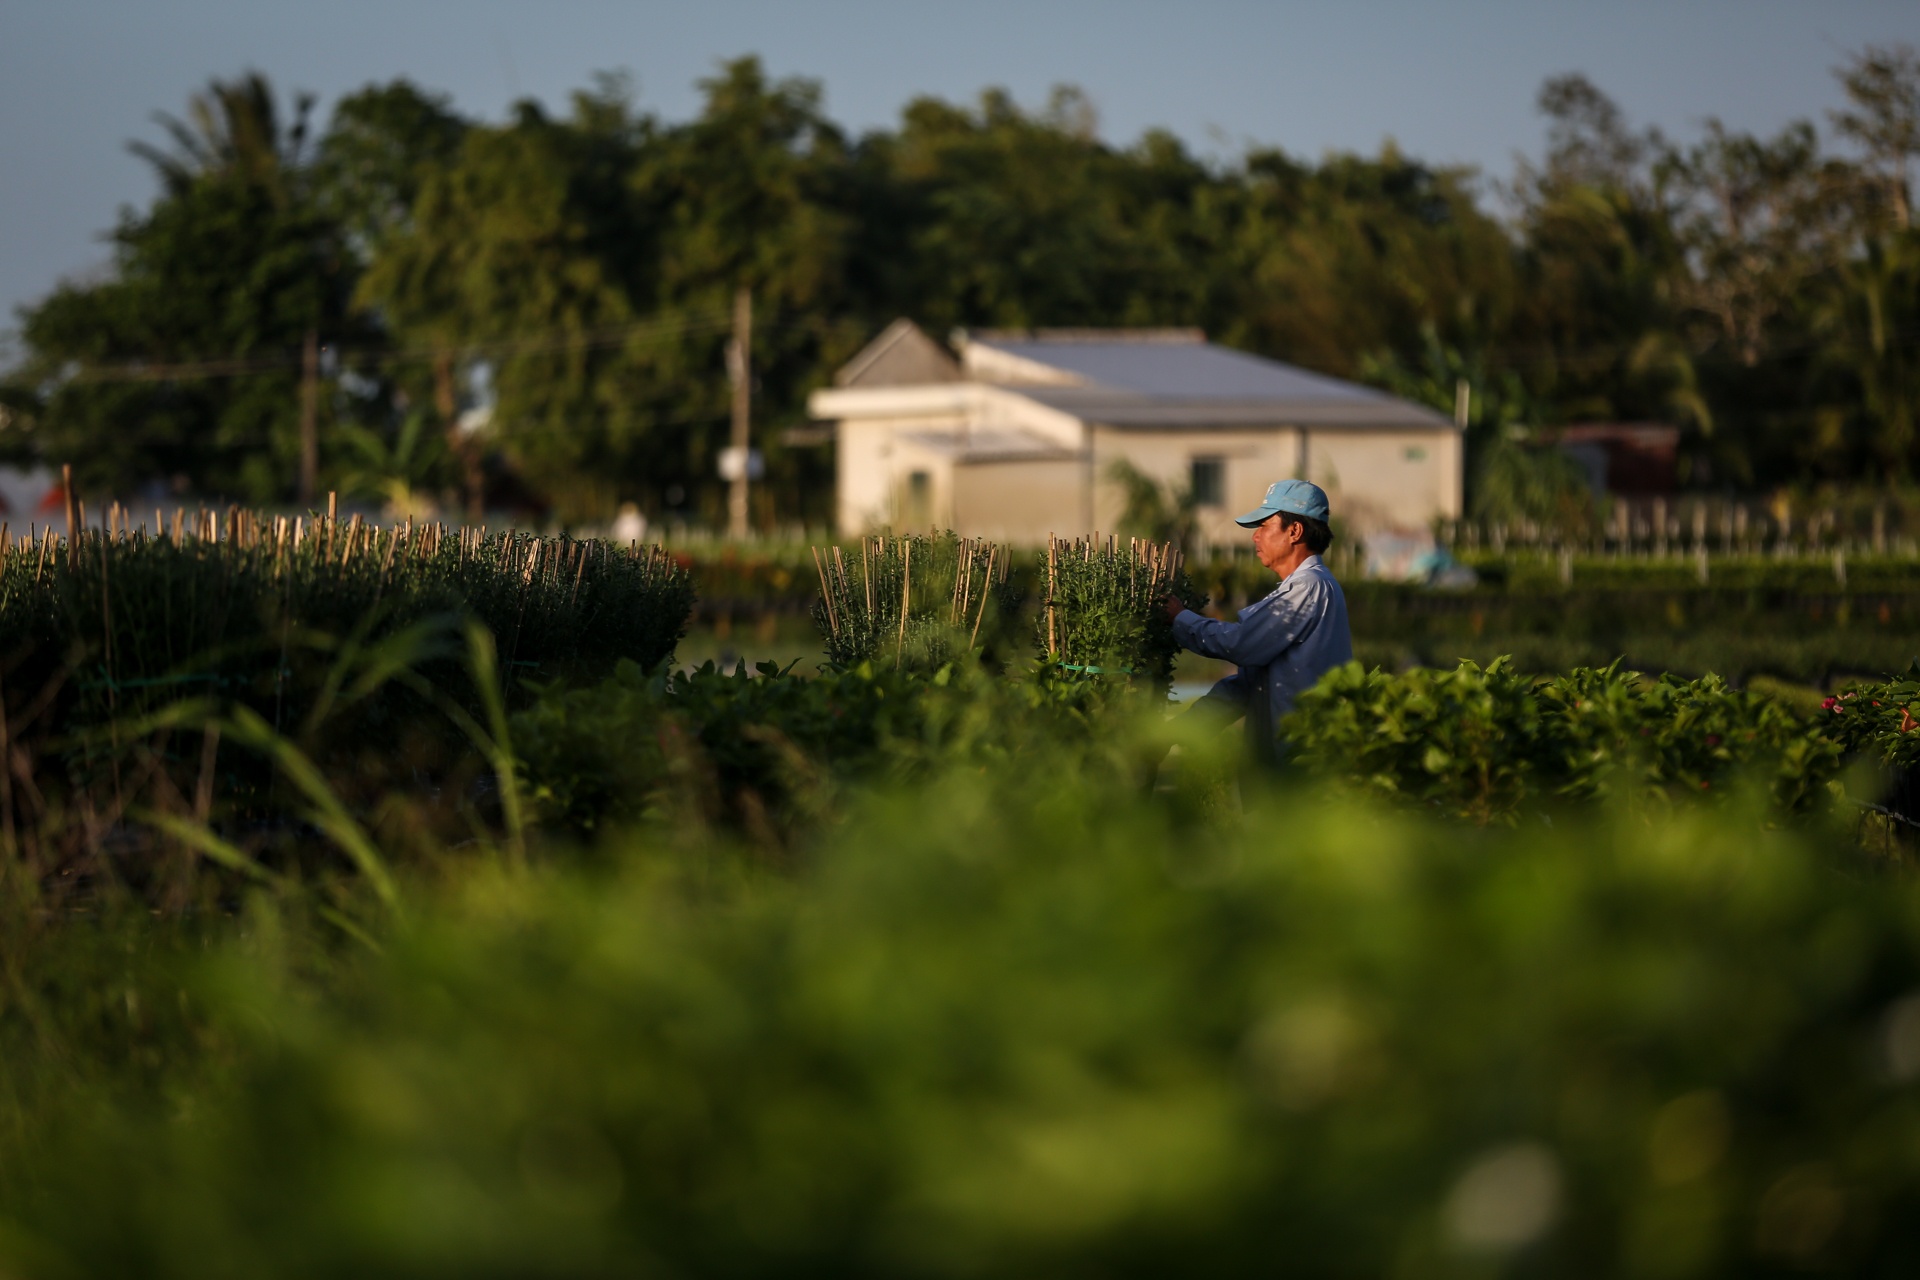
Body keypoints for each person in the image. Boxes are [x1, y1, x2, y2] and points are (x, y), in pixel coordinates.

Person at [1162, 479, 1353, 762]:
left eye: (1264, 525)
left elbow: (1241, 643)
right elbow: (1248, 685)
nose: (1255, 536)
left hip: (1300, 766)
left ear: (1295, 531)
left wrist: (1180, 618)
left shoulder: (1307, 587)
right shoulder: (1306, 586)